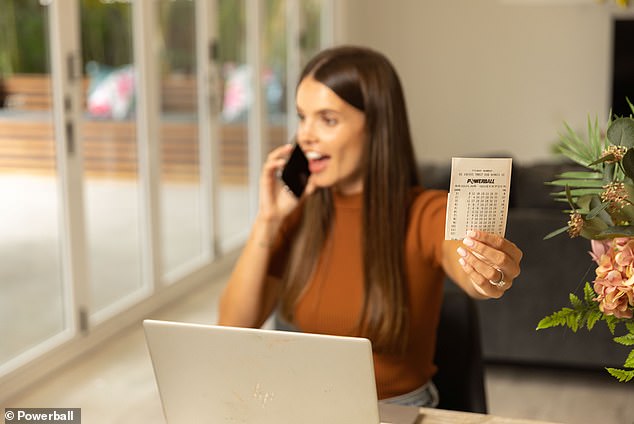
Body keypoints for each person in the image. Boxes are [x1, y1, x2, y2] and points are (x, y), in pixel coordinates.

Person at [218, 45, 523, 407]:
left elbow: (468, 265)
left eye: (327, 120)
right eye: (303, 117)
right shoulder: (299, 214)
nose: (306, 136)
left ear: (376, 126)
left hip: (394, 411)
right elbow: (232, 331)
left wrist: (490, 274)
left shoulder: (424, 213)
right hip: (309, 407)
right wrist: (267, 220)